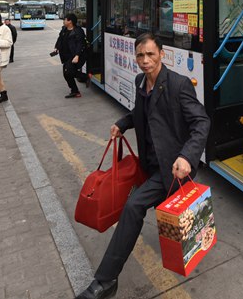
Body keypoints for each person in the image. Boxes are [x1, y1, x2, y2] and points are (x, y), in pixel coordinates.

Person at [74, 32, 210, 299]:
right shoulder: (140, 81)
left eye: (150, 54)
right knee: (164, 212)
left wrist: (187, 156)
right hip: (148, 162)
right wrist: (122, 124)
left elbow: (201, 122)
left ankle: (105, 280)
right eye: (140, 55)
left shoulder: (178, 84)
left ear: (161, 54)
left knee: (134, 206)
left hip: (171, 167)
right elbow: (141, 114)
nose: (145, 60)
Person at [53, 13, 89, 98]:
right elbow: (60, 39)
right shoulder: (64, 29)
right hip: (65, 55)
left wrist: (77, 55)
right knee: (66, 74)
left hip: (73, 55)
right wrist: (56, 47)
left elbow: (81, 44)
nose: (64, 21)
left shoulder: (78, 31)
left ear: (70, 21)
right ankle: (75, 91)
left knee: (68, 72)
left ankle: (86, 77)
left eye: (65, 19)